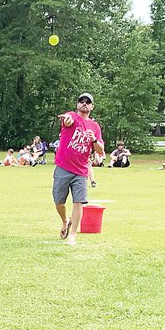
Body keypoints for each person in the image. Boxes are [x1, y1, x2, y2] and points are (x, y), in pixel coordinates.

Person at [53, 93, 104, 244]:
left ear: (92, 107)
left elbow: (100, 150)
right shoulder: (72, 116)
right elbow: (67, 121)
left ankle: (72, 235)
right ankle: (65, 221)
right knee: (59, 201)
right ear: (77, 105)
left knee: (78, 201)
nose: (84, 104)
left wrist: (93, 139)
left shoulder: (95, 127)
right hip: (63, 166)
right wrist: (67, 120)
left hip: (81, 171)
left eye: (88, 102)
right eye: (81, 101)